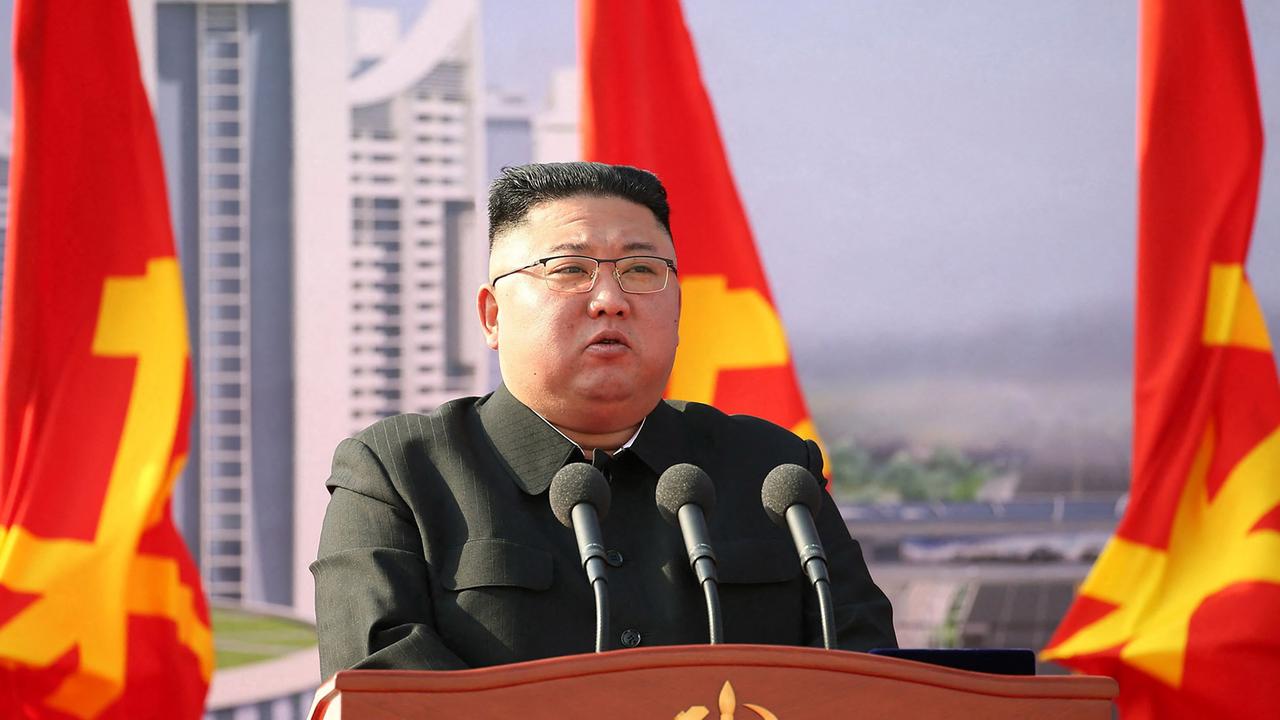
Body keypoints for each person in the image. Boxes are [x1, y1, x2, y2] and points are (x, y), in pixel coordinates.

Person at [311, 162, 896, 678]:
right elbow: (382, 684)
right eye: (569, 270)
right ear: (492, 316)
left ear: (677, 309)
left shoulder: (773, 472)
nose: (610, 299)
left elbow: (870, 670)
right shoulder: (399, 474)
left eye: (641, 271)